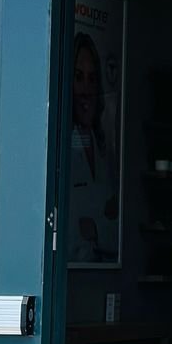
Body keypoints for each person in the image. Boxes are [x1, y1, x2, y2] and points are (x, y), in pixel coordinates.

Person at [69, 32, 119, 262]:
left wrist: (96, 228)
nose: (86, 90)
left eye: (92, 79)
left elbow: (116, 225)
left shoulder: (102, 146)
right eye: (79, 78)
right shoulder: (60, 148)